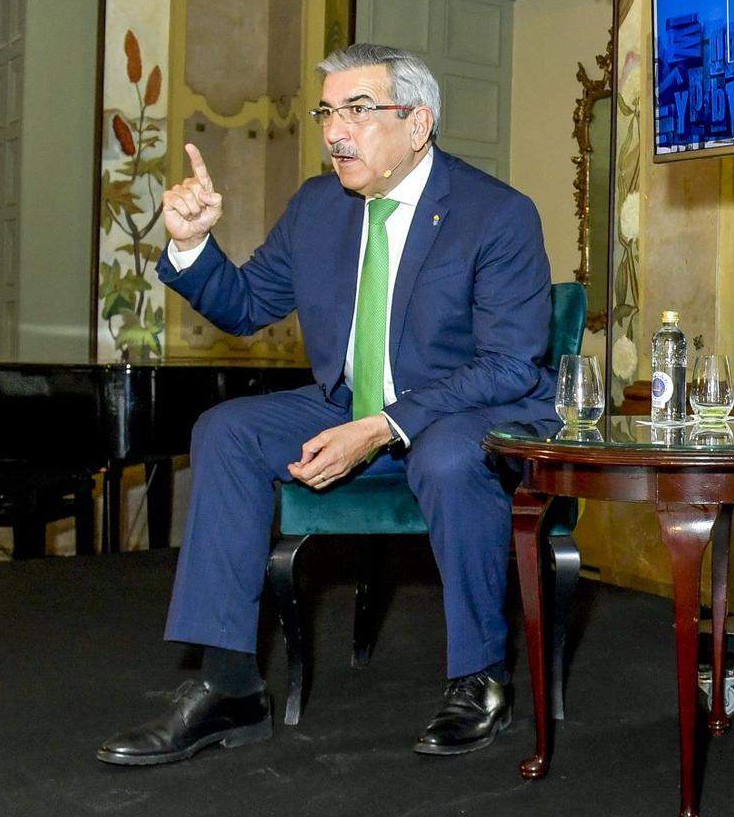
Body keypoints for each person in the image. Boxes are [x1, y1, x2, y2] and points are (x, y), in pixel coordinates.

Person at [98, 43, 559, 767]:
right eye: (328, 112)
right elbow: (248, 305)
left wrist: (380, 427)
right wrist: (190, 247)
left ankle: (481, 677)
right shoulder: (319, 207)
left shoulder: (494, 214)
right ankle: (230, 688)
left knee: (443, 458)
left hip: (470, 409)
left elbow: (507, 364)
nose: (335, 131)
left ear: (418, 124)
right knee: (225, 429)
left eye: (358, 110)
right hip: (351, 402)